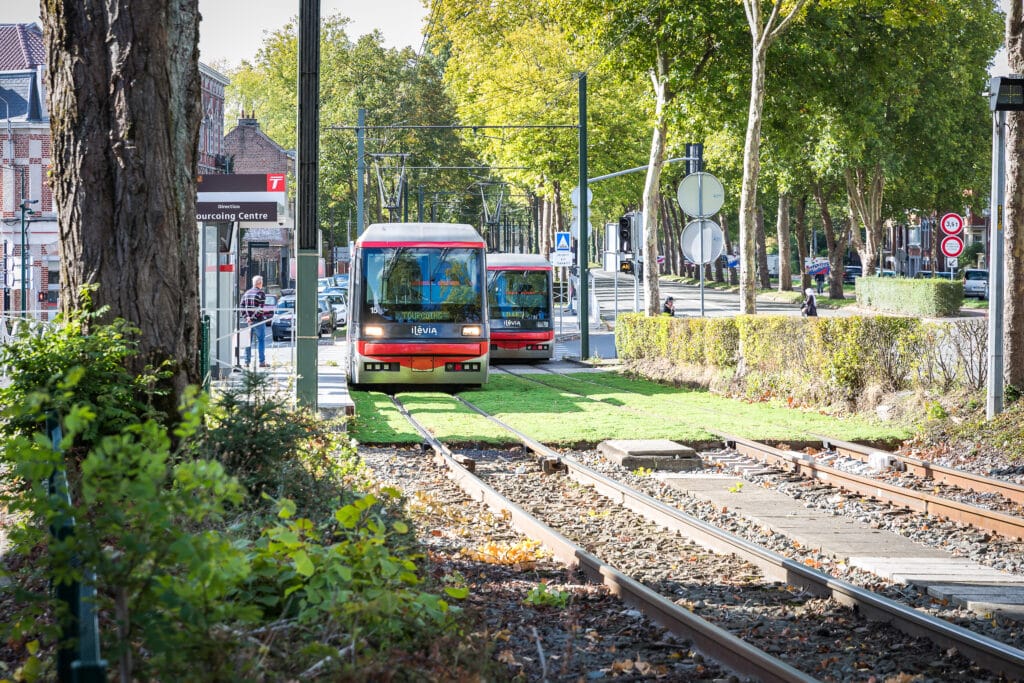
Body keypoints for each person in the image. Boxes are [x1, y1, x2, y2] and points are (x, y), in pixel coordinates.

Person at [241, 275, 270, 368]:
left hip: (248, 322)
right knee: (261, 341)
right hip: (258, 321)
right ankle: (262, 362)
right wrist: (253, 318)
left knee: (247, 342)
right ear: (259, 283)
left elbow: (241, 306)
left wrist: (247, 318)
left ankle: (246, 362)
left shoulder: (246, 293)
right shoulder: (261, 294)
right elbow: (260, 309)